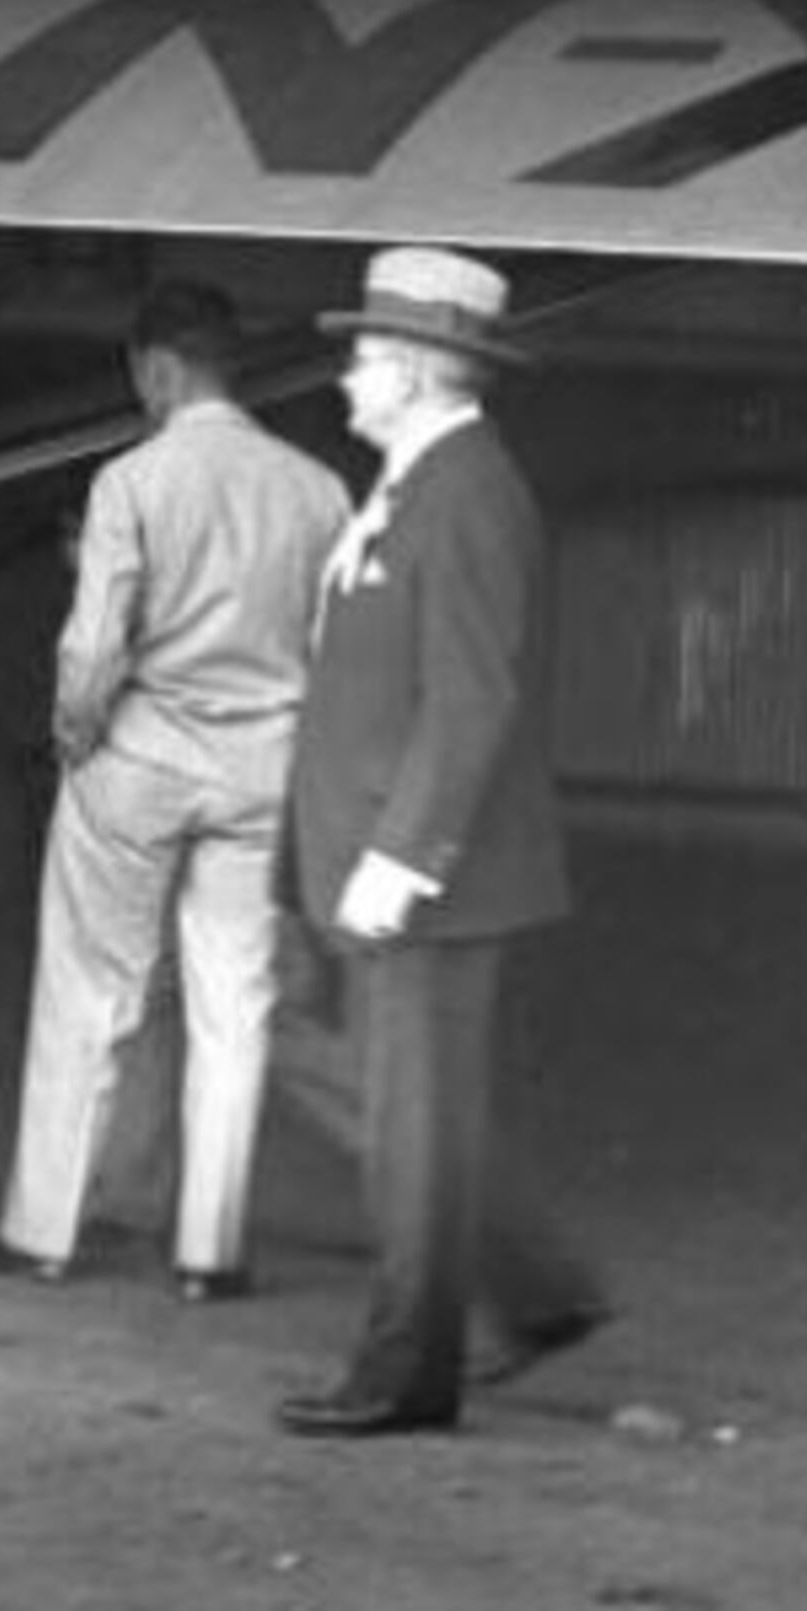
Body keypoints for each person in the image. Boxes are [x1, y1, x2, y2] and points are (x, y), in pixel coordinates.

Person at [275, 246, 611, 1438]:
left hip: (428, 882)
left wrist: (402, 857)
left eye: (365, 355)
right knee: (424, 1118)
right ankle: (541, 1291)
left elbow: (473, 697)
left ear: (418, 369)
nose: (349, 376)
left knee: (411, 1133)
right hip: (399, 866)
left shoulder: (466, 492)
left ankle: (404, 1374)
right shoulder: (425, 481)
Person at [0, 280, 348, 1299]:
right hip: (262, 762)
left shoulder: (130, 479)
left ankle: (42, 1229)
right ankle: (210, 1250)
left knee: (90, 992)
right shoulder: (317, 489)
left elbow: (93, 645)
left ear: (158, 366)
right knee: (237, 1003)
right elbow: (331, 647)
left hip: (140, 757)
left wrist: (74, 737)